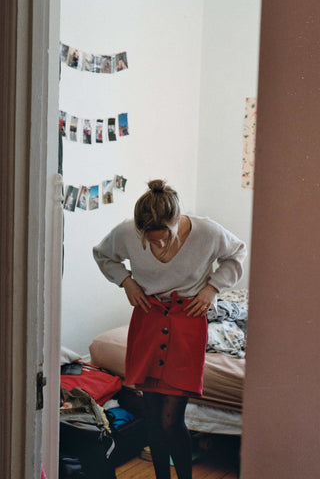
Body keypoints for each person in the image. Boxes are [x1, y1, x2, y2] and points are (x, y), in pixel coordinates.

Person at [93, 179, 247, 479]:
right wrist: (127, 282)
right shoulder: (126, 231)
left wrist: (212, 289)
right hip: (148, 321)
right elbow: (103, 254)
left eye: (164, 238)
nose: (158, 245)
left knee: (170, 421)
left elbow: (237, 253)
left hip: (188, 323)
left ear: (177, 222)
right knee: (151, 418)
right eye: (150, 240)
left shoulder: (208, 232)